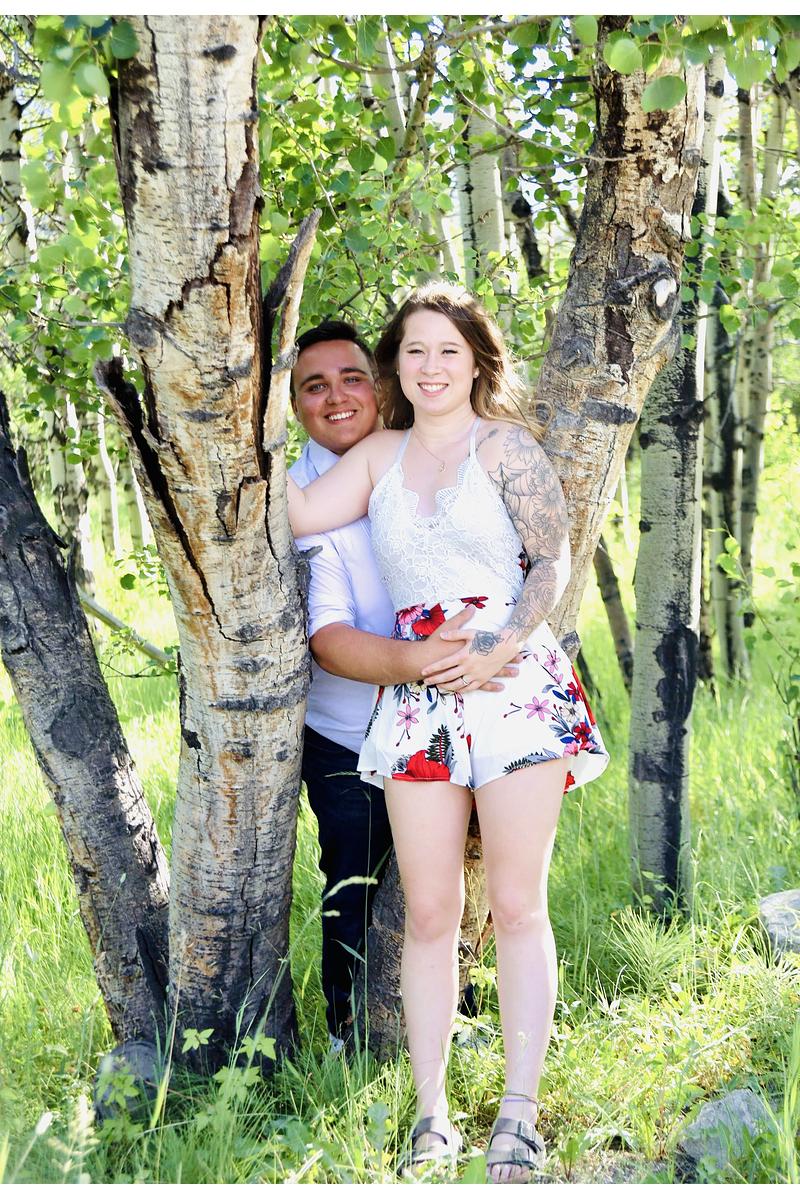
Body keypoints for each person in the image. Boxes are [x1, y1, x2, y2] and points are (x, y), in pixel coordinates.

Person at [288, 286, 609, 1182]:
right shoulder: (376, 456)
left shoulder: (505, 447)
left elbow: (552, 558)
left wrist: (501, 644)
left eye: (448, 351)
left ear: (476, 362)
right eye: (415, 351)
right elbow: (298, 514)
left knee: (515, 904)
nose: (431, 368)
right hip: (420, 699)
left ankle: (519, 1114)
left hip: (511, 683)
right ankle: (432, 1116)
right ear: (396, 365)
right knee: (429, 912)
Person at [289, 320, 519, 1052]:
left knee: (459, 876)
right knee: (355, 877)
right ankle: (349, 1034)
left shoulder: (435, 452)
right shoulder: (296, 500)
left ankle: (463, 1018)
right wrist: (425, 660)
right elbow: (327, 638)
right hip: (349, 730)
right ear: (292, 405)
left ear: (379, 383)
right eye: (314, 386)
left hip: (466, 714)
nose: (337, 397)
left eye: (352, 378)